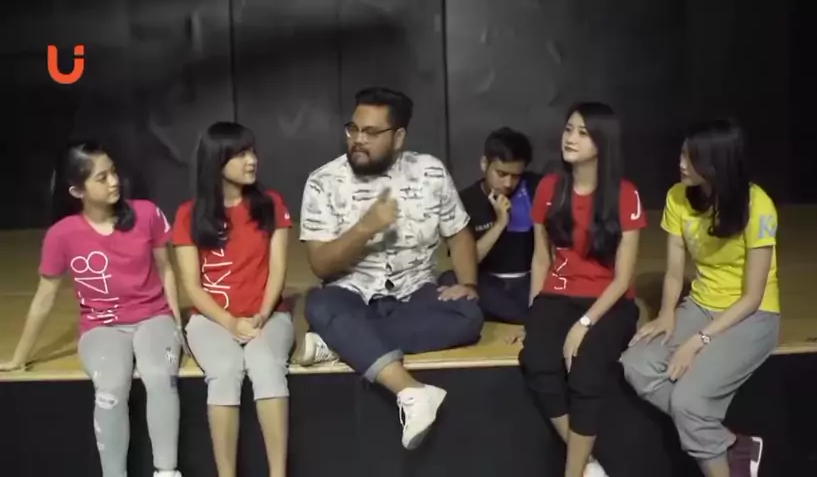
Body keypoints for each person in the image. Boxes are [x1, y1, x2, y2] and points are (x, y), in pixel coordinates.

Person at [299, 87, 484, 449]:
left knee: (469, 315)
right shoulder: (323, 181)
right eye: (353, 129)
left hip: (416, 293)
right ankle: (411, 392)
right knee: (319, 305)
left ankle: (341, 342)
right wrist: (366, 227)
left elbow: (460, 233)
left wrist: (469, 284)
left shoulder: (430, 172)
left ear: (398, 137)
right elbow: (320, 264)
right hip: (351, 296)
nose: (358, 140)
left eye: (371, 133)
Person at [0, 142, 183, 477]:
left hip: (153, 317)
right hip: (102, 326)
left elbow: (166, 269)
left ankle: (167, 471)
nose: (114, 181)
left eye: (113, 172)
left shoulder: (146, 214)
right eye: (102, 177)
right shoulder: (61, 235)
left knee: (159, 378)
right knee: (111, 388)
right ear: (77, 190)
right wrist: (19, 357)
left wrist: (177, 325)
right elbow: (44, 298)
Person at [621, 119, 780, 477]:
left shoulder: (758, 205)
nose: (681, 163)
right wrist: (666, 313)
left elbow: (753, 297)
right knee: (636, 365)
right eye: (682, 153)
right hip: (701, 304)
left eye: (691, 158)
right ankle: (730, 443)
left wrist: (697, 341)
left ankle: (708, 435)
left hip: (753, 315)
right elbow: (674, 271)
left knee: (689, 402)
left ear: (717, 163)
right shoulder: (678, 197)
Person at [518, 102, 646, 477]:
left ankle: (572, 473)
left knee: (586, 372)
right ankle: (587, 464)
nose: (570, 138)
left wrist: (584, 324)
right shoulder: (549, 187)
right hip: (557, 294)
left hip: (609, 301)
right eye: (569, 129)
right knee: (537, 361)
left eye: (583, 133)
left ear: (603, 142)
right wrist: (533, 316)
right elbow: (540, 259)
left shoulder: (625, 194)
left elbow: (623, 278)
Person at [172, 122, 294, 477]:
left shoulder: (271, 204)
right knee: (225, 371)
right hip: (212, 320)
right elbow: (192, 287)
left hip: (267, 315)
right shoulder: (188, 214)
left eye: (251, 151)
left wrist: (261, 315)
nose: (251, 160)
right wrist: (229, 322)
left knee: (266, 365)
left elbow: (278, 270)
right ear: (216, 161)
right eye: (240, 154)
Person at [438, 127, 541, 324]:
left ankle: (521, 314)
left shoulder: (533, 188)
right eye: (501, 174)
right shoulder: (466, 200)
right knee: (448, 279)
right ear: (484, 164)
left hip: (527, 281)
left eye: (515, 176)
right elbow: (466, 261)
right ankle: (523, 315)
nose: (508, 183)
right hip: (489, 282)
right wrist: (500, 223)